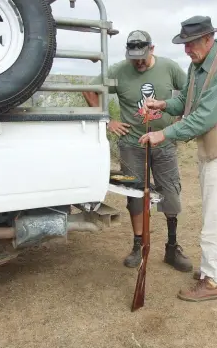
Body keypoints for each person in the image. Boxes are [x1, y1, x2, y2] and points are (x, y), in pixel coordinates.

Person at [139, 16, 217, 302]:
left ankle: (211, 282)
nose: (186, 51)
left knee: (213, 214)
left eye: (190, 44)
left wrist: (164, 134)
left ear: (208, 39)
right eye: (184, 45)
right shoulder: (197, 64)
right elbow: (186, 101)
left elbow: (205, 116)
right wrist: (163, 104)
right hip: (212, 147)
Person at [82, 30, 193, 273]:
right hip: (132, 145)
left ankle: (172, 247)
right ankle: (138, 246)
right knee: (134, 195)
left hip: (164, 144)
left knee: (171, 192)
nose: (139, 62)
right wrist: (108, 121)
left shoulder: (169, 67)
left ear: (152, 49)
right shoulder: (119, 70)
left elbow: (189, 93)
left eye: (142, 57)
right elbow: (89, 90)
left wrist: (179, 122)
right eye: (134, 58)